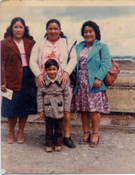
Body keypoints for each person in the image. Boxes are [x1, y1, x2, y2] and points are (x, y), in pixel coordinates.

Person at [29, 19, 77, 148]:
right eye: (50, 28)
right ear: (46, 30)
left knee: (64, 109)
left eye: (56, 28)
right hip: (45, 82)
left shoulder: (67, 43)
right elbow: (32, 61)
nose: (53, 31)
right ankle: (49, 137)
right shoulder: (39, 44)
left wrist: (66, 72)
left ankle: (66, 136)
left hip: (62, 81)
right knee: (47, 108)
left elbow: (73, 59)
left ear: (60, 30)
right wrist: (39, 74)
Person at [71, 20, 111, 148]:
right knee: (83, 110)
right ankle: (86, 133)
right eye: (85, 32)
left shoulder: (102, 46)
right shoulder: (78, 46)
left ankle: (95, 134)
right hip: (80, 82)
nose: (88, 34)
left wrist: (99, 78)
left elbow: (106, 64)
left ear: (96, 33)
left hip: (94, 83)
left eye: (90, 31)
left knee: (94, 110)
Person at [1, 17, 37, 144]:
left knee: (25, 106)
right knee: (12, 107)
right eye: (15, 27)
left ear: (24, 29)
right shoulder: (4, 43)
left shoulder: (30, 42)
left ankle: (21, 132)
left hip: (28, 77)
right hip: (12, 78)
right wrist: (2, 81)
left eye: (20, 27)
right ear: (11, 28)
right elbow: (1, 63)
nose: (18, 29)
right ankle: (11, 132)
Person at [37, 59, 70, 152]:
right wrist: (41, 110)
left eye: (54, 69)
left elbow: (67, 95)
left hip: (59, 108)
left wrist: (66, 108)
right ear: (45, 70)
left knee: (59, 127)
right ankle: (49, 144)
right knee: (49, 127)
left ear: (58, 70)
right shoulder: (43, 82)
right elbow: (39, 96)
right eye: (49, 70)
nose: (52, 72)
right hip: (48, 108)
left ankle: (58, 143)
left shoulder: (62, 81)